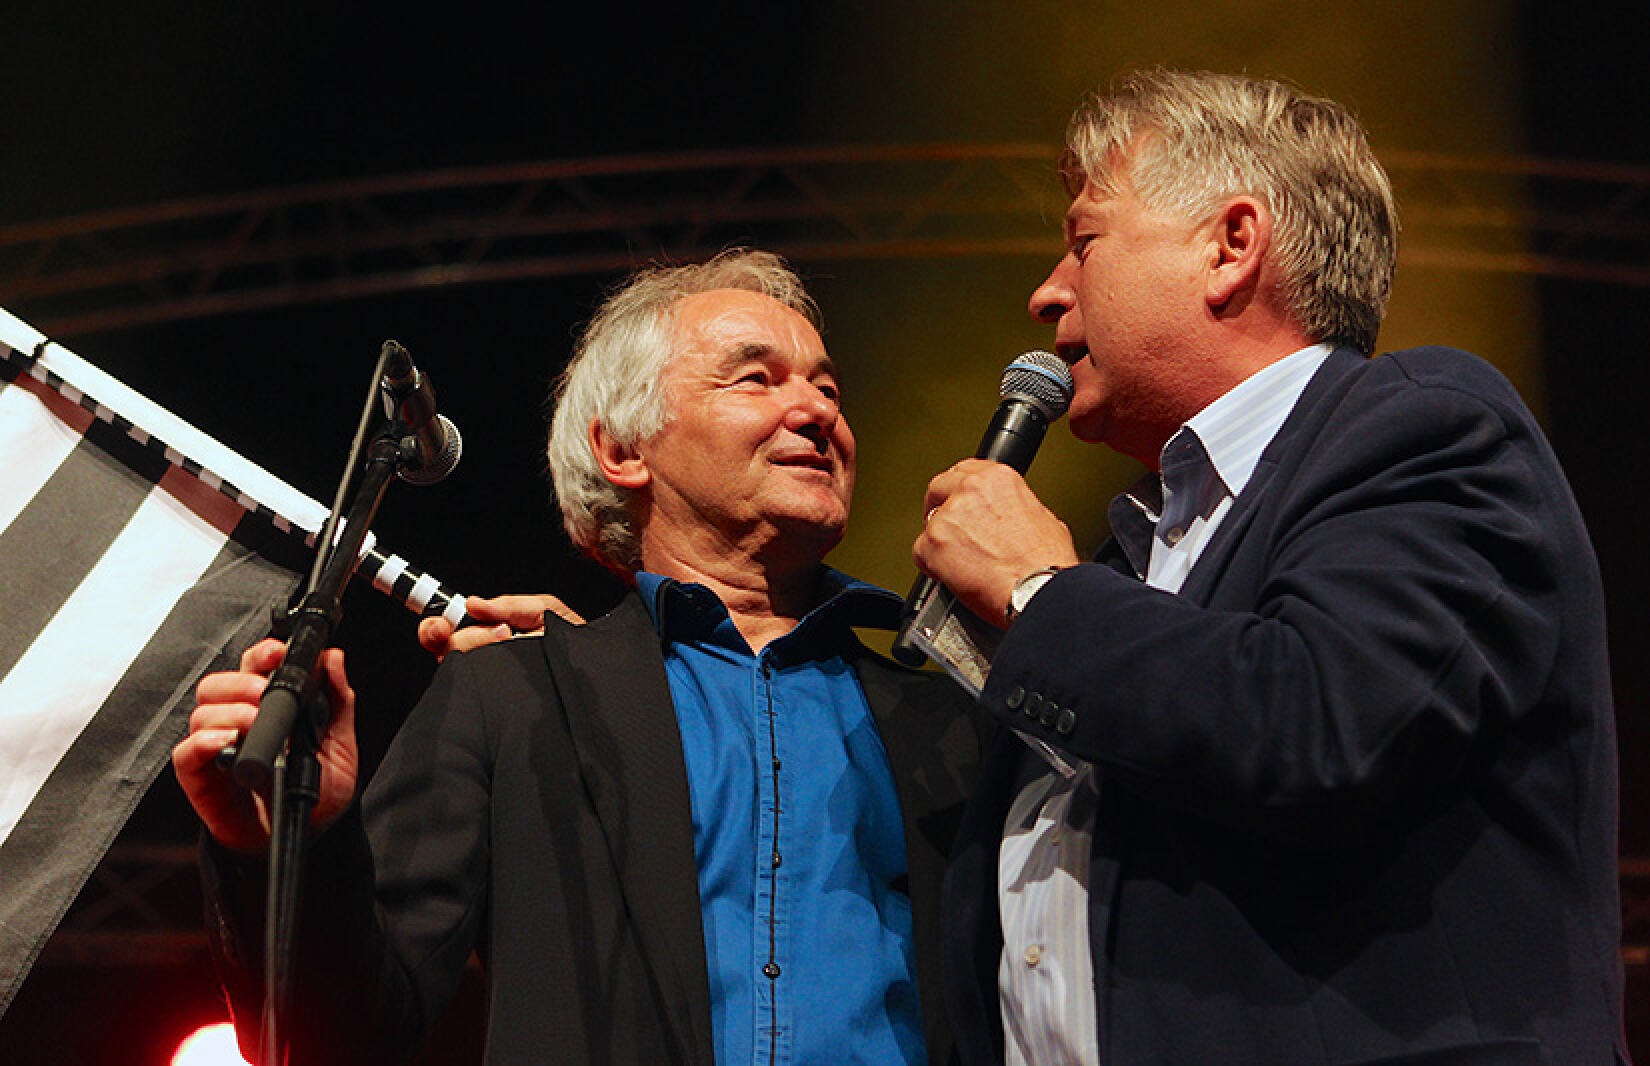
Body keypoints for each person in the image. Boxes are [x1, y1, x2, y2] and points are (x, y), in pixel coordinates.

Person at [913, 69, 1629, 1065]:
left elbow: (1321, 723)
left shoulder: (1425, 429)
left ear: (1230, 246)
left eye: (1084, 243)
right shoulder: (1134, 559)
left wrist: (1039, 593)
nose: (1048, 292)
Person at [174, 249, 982, 1065]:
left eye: (828, 389)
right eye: (755, 379)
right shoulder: (516, 700)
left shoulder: (946, 718)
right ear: (623, 450)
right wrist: (291, 845)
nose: (815, 412)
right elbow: (345, 1039)